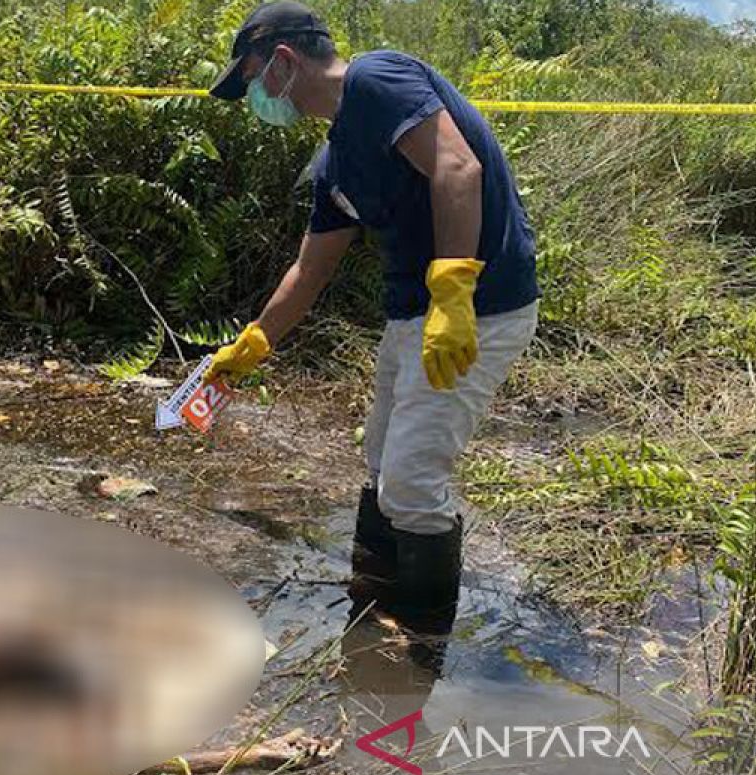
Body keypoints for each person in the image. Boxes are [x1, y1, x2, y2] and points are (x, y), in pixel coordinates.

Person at [204, 1, 540, 642]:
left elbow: (457, 168)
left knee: (413, 480)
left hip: (479, 308)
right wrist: (254, 342)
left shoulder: (378, 80)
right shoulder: (334, 162)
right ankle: (373, 599)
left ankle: (417, 645)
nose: (254, 98)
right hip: (415, 314)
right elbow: (311, 269)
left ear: (283, 60)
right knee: (382, 459)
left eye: (251, 81)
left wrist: (453, 292)